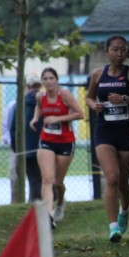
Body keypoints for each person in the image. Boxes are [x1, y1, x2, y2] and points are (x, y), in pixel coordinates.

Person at [87, 35, 129, 242]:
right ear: (107, 51)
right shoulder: (98, 74)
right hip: (104, 131)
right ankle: (113, 227)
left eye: (123, 49)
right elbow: (89, 97)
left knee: (123, 182)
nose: (119, 53)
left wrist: (124, 98)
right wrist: (94, 105)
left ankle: (124, 211)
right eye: (115, 49)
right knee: (112, 178)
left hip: (127, 131)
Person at [31, 67, 84, 225]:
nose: (48, 82)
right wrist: (35, 118)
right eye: (45, 79)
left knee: (58, 182)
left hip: (65, 141)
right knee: (47, 179)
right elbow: (39, 107)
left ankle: (60, 204)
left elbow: (80, 114)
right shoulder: (40, 96)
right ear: (42, 81)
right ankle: (48, 216)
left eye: (51, 78)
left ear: (56, 80)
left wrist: (57, 118)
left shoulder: (64, 94)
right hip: (46, 140)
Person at [6, 76, 43, 202]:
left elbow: (13, 129)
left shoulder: (19, 104)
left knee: (34, 181)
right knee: (47, 180)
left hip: (27, 150)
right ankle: (46, 205)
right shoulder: (46, 103)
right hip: (45, 148)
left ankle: (34, 204)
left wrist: (18, 149)